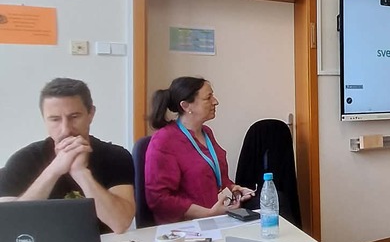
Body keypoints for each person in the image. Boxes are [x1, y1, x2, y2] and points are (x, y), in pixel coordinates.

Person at [0, 77, 135, 233]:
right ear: (44, 119)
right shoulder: (24, 160)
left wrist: (80, 173)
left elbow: (120, 224)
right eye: (55, 119)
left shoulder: (115, 157)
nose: (66, 129)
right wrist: (54, 170)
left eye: (74, 117)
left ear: (91, 114)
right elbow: (9, 224)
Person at [144, 76, 253, 224]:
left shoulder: (206, 132)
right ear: (186, 106)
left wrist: (235, 189)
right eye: (208, 98)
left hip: (219, 218)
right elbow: (159, 199)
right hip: (186, 226)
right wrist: (208, 214)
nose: (215, 101)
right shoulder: (164, 140)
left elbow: (217, 178)